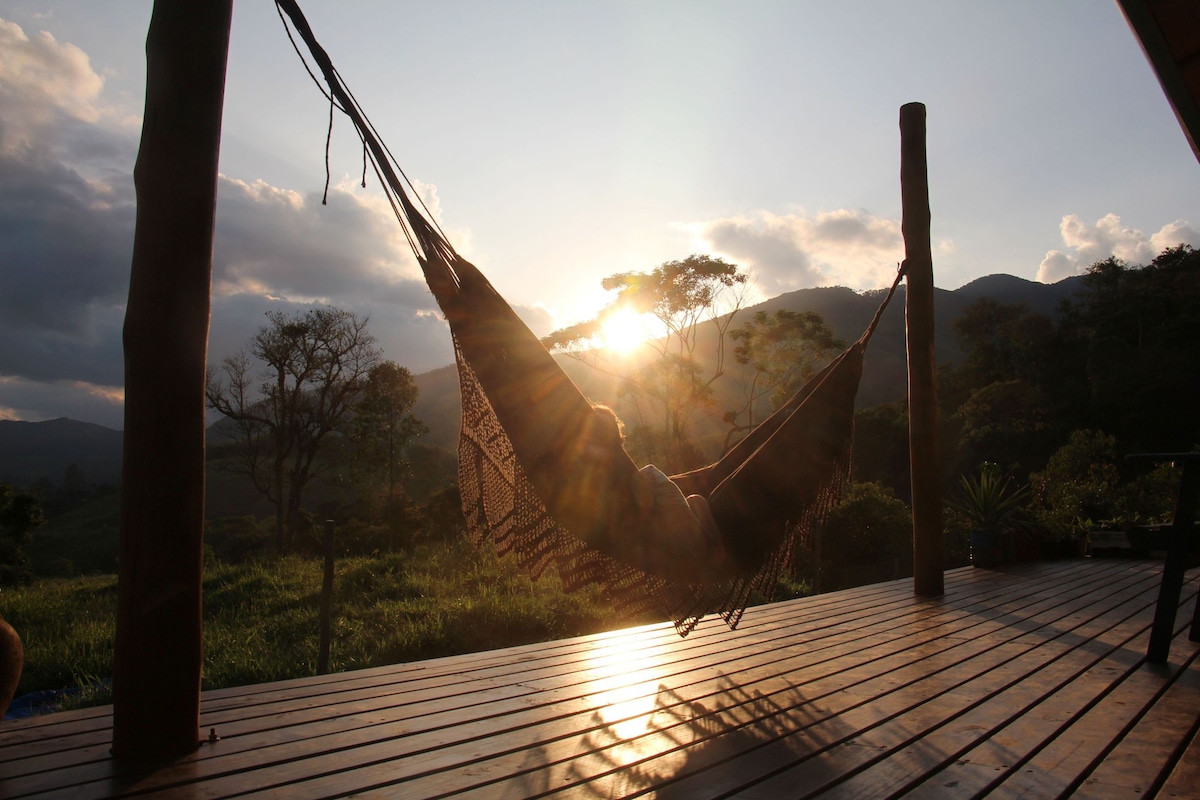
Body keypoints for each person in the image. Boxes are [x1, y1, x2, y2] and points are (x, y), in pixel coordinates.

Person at [590, 404, 724, 568]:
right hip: (675, 540)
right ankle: (711, 546)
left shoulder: (614, 466)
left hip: (677, 532)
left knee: (695, 499)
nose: (605, 433)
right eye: (600, 428)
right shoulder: (597, 462)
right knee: (696, 499)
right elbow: (629, 509)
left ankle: (704, 542)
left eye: (608, 428)